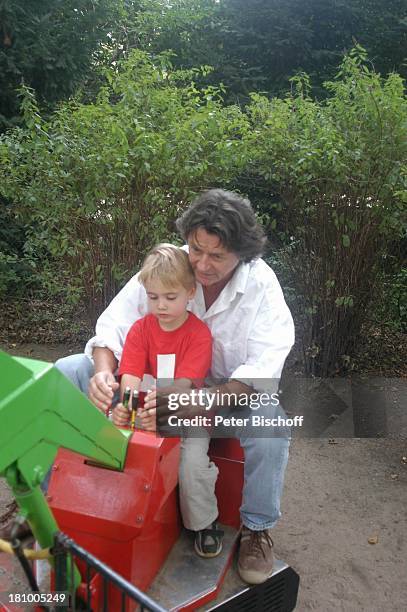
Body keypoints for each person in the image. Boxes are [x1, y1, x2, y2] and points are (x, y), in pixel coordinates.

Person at [1, 189, 295, 585]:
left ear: (242, 253)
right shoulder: (171, 262)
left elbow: (262, 369)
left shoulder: (262, 286)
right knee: (69, 370)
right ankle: (35, 504)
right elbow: (114, 326)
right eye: (196, 249)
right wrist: (105, 374)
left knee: (271, 422)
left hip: (225, 393)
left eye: (217, 256)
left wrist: (203, 399)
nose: (202, 265)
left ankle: (257, 529)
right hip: (151, 385)